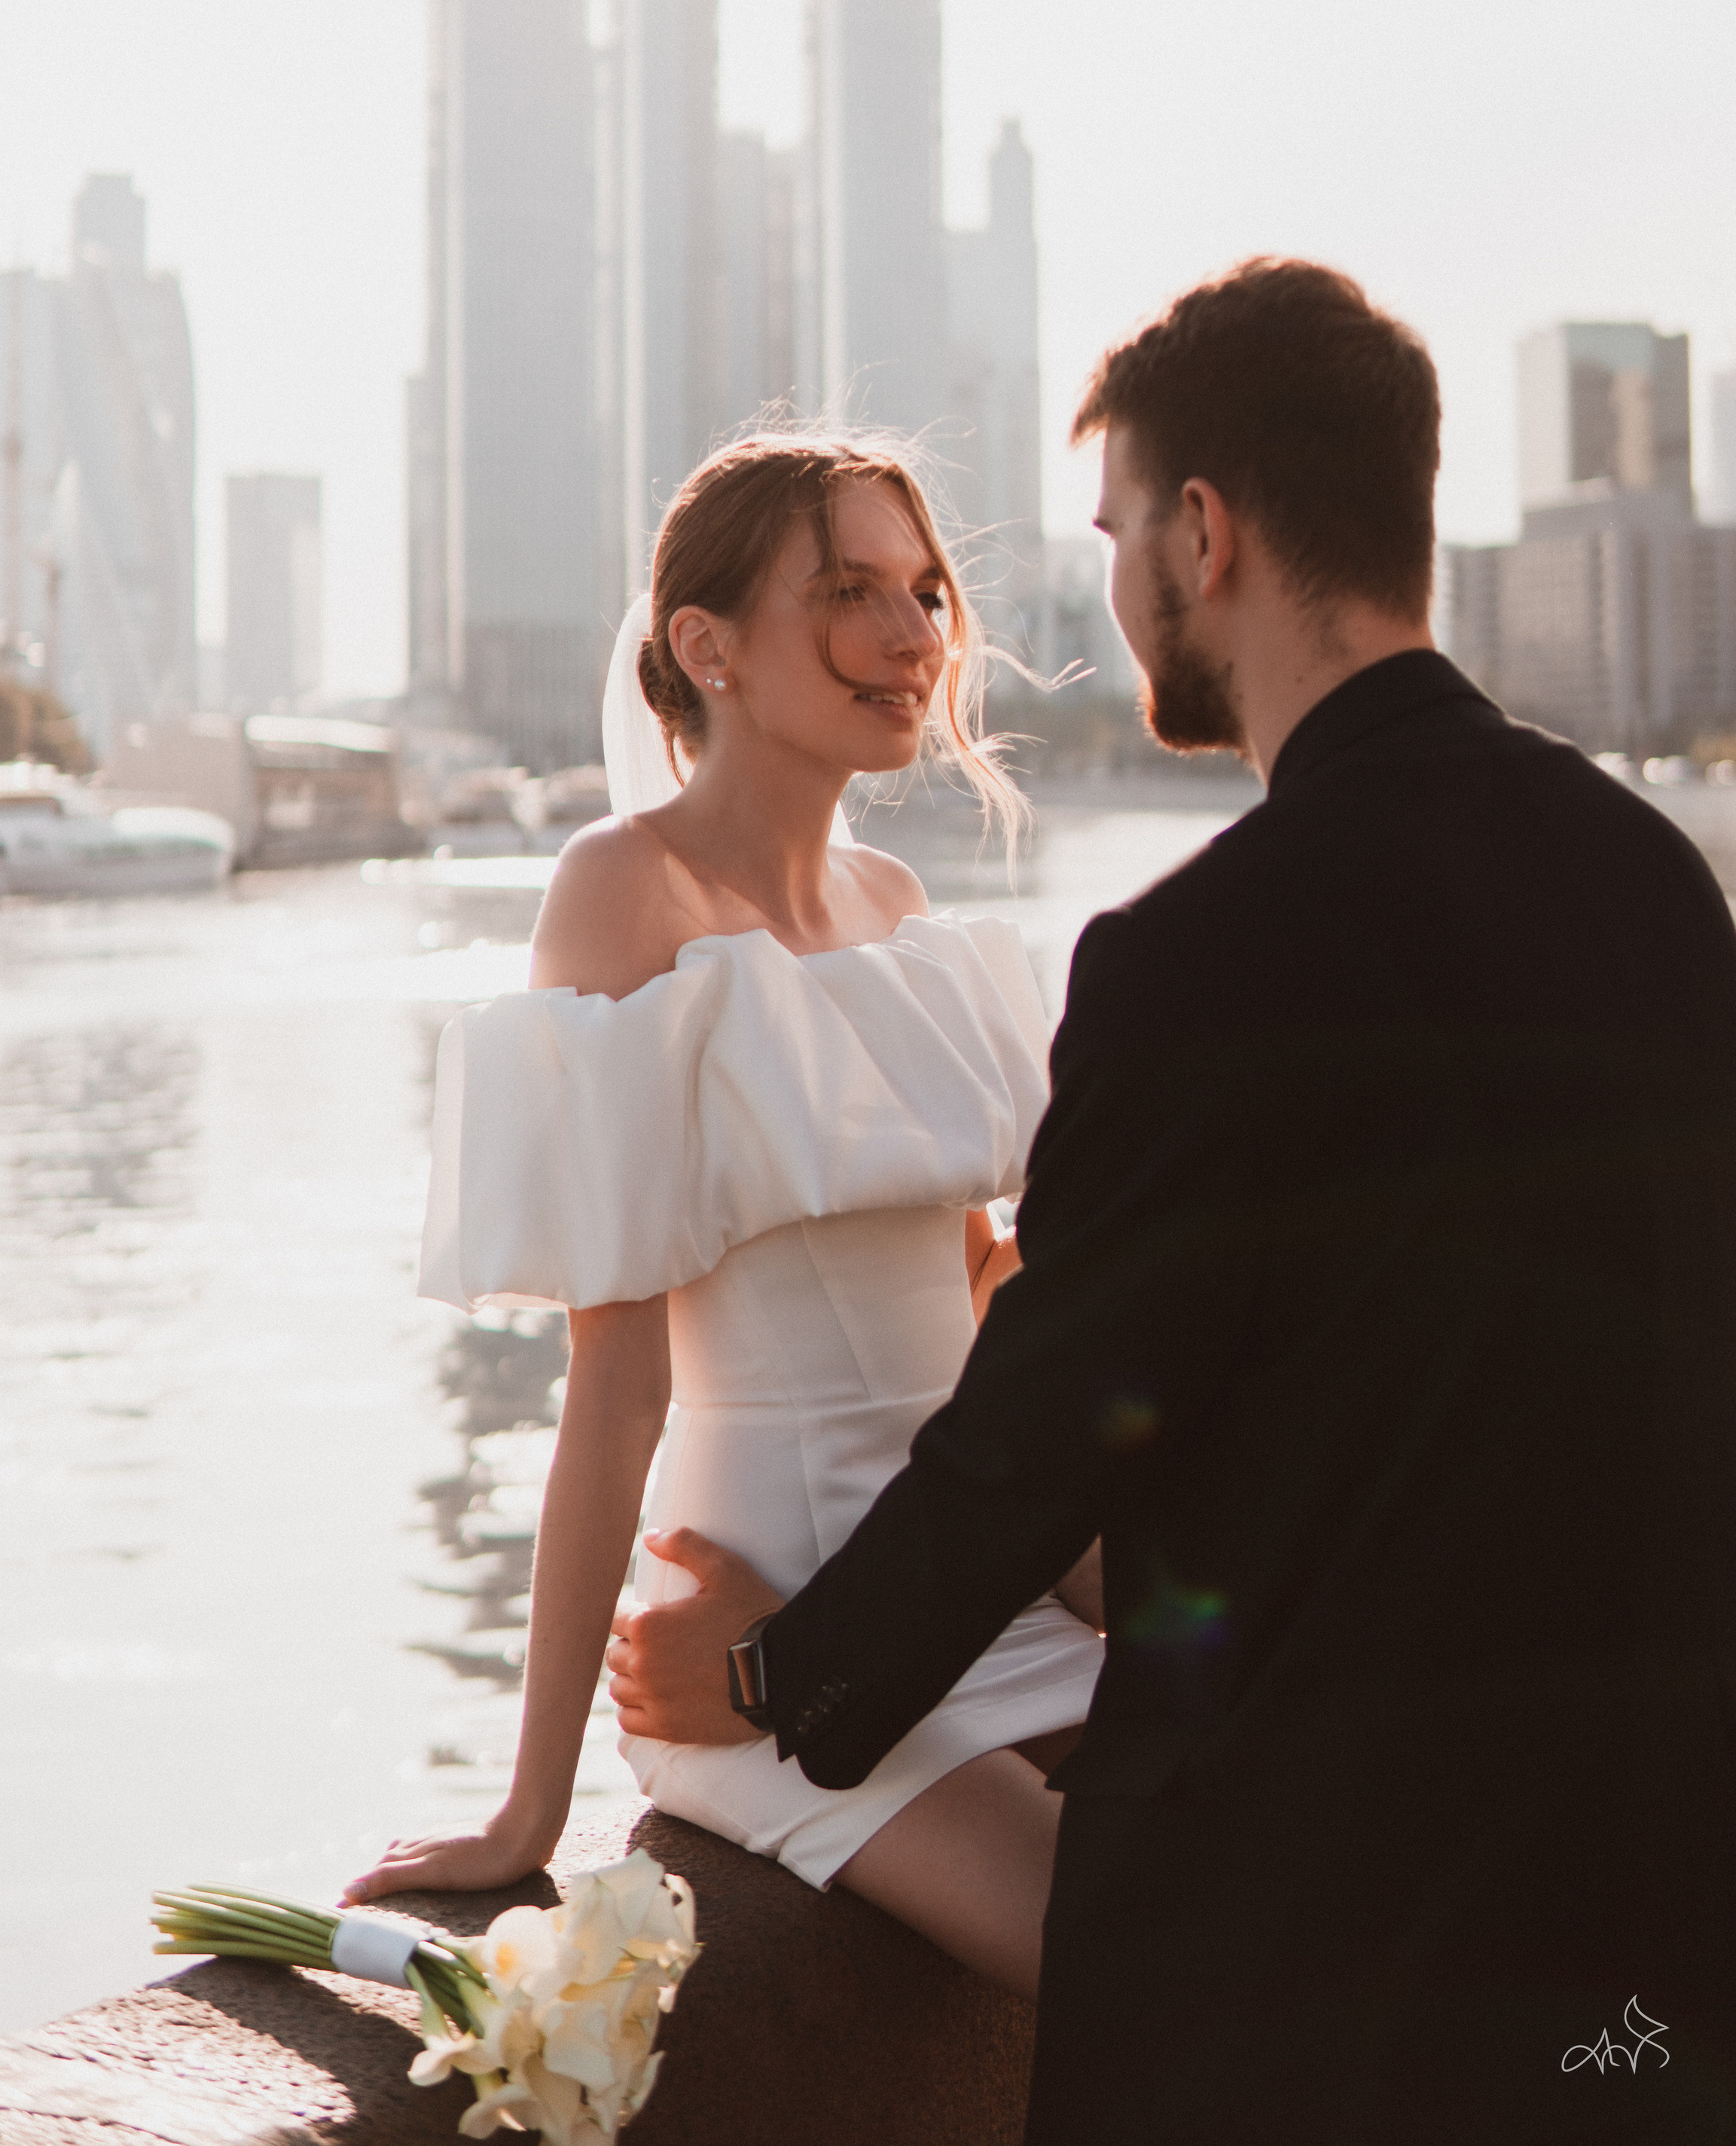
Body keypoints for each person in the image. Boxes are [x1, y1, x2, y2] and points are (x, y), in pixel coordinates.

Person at [609, 261, 1736, 2146]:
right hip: (1641, 1950)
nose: (1116, 587)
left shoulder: (1195, 957)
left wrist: (760, 1669)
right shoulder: (1652, 881)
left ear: (1201, 533)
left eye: (1121, 527)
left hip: (1327, 1968)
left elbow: (1035, 1445)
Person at [343, 435, 1106, 1996]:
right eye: (848, 590)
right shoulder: (624, 889)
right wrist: (529, 1805)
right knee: (1122, 1955)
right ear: (705, 647)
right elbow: (614, 1381)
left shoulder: (901, 909)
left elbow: (984, 1307)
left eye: (924, 589)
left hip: (973, 1595)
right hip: (765, 1662)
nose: (914, 636)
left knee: (1305, 1854)